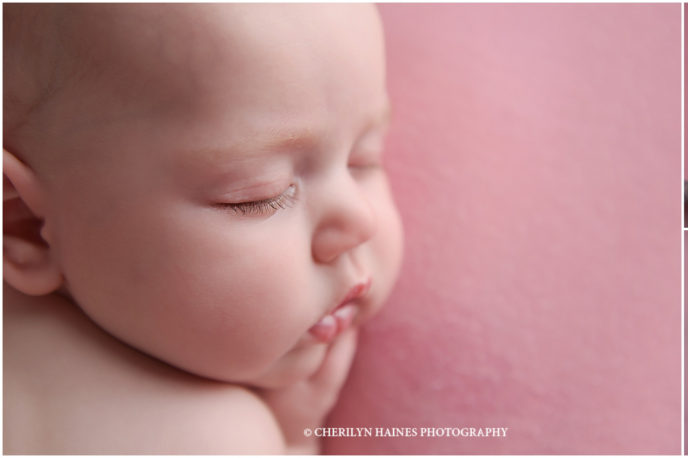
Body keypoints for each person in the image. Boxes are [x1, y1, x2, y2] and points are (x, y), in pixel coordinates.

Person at [3, 4, 403, 453]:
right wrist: (293, 441)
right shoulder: (211, 435)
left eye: (363, 159)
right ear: (25, 224)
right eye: (259, 195)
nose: (360, 221)